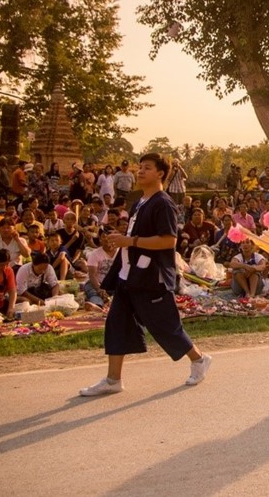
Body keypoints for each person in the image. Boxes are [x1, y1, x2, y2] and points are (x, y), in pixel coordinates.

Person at [79, 153, 212, 396]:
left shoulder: (163, 203)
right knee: (117, 323)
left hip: (151, 276)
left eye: (147, 168)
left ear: (160, 173)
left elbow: (168, 241)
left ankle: (199, 359)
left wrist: (131, 240)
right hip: (129, 275)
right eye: (140, 167)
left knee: (164, 325)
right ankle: (113, 379)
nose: (140, 172)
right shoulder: (140, 201)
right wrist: (122, 241)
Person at [83, 231, 118, 310]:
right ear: (100, 240)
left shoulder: (121, 252)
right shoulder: (94, 254)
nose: (107, 240)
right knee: (94, 293)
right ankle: (97, 306)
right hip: (97, 283)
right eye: (104, 238)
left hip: (115, 283)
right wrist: (99, 289)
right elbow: (92, 275)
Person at [0, 249, 16, 318]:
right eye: (1, 265)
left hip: (1, 304)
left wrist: (11, 308)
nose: (4, 267)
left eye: (6, 264)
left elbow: (12, 290)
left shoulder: (8, 270)